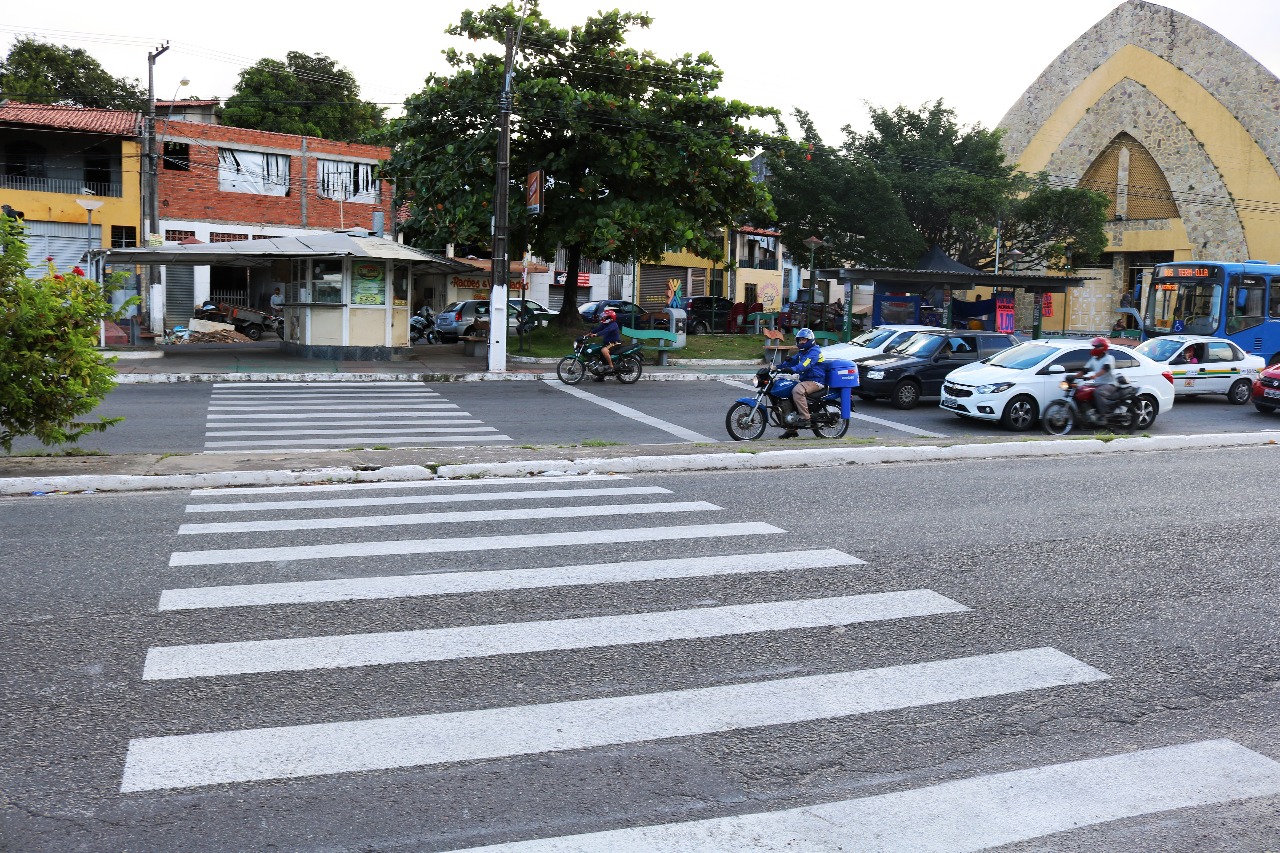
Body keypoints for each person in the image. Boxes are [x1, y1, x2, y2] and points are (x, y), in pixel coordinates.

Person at [777, 327, 826, 438]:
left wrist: (793, 370)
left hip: (816, 381)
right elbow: (794, 361)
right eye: (800, 340)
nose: (801, 342)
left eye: (803, 340)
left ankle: (805, 418)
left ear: (810, 340)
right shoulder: (802, 352)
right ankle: (791, 429)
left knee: (797, 391)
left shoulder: (814, 352)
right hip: (805, 380)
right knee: (787, 391)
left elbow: (805, 365)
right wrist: (778, 367)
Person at [1081, 335, 1119, 418]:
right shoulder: (1094, 359)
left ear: (1102, 348)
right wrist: (1074, 377)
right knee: (1083, 389)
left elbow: (1105, 369)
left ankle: (1103, 414)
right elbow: (1085, 370)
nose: (1093, 349)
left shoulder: (1109, 358)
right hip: (1098, 383)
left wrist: (1095, 375)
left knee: (1097, 392)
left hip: (1110, 384)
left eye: (1095, 347)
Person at [586, 308, 622, 377]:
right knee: (599, 354)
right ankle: (601, 376)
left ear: (610, 318)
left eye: (605, 316)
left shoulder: (613, 325)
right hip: (608, 344)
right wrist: (587, 335)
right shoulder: (605, 324)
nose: (603, 317)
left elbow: (606, 331)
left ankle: (611, 367)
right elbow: (597, 329)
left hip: (615, 343)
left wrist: (596, 335)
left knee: (604, 350)